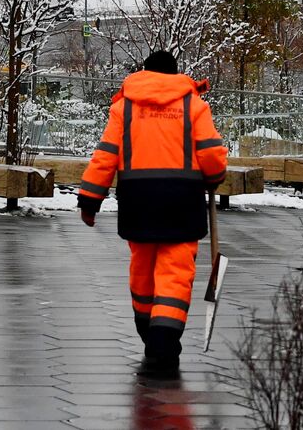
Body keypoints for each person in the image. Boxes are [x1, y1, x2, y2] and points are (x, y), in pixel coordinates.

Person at [77, 50, 227, 373]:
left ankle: (148, 330)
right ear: (175, 75)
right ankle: (164, 340)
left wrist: (90, 199)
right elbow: (212, 153)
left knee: (142, 270)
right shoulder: (193, 105)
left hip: (138, 203)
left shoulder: (124, 107)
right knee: (175, 274)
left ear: (144, 72)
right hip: (182, 204)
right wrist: (215, 177)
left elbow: (106, 155)